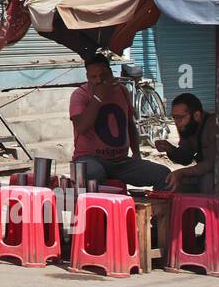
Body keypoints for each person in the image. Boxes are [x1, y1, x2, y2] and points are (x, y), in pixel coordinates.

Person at [70, 56, 171, 189]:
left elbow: (130, 124)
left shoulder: (122, 91)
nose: (99, 80)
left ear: (111, 73)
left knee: (164, 175)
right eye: (93, 77)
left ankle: (157, 209)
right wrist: (98, 98)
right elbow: (81, 127)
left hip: (121, 162)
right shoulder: (81, 94)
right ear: (87, 77)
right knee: (93, 174)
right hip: (89, 159)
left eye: (103, 75)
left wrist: (136, 153)